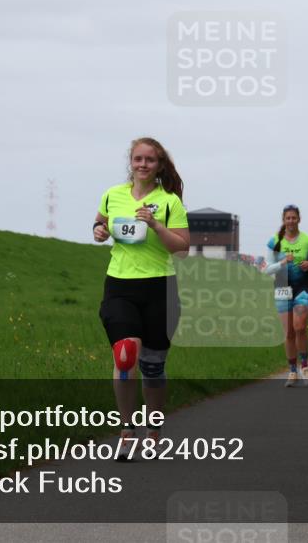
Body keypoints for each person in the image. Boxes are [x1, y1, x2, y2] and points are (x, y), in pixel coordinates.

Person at [93, 137, 190, 459]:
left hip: (160, 287)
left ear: (159, 165)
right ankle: (125, 430)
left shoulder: (169, 201)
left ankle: (154, 430)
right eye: (138, 159)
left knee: (152, 366)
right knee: (124, 355)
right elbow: (100, 224)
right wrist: (99, 231)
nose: (143, 165)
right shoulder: (113, 195)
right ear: (130, 163)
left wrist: (156, 225)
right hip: (120, 284)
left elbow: (182, 247)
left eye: (150, 160)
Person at [263, 205, 308, 387]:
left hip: (302, 288)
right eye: (287, 218)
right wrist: (283, 262)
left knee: (300, 327)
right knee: (289, 333)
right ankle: (292, 371)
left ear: (299, 219)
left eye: (294, 218)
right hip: (282, 289)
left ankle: (305, 367)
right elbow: (267, 269)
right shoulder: (274, 241)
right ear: (283, 220)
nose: (291, 221)